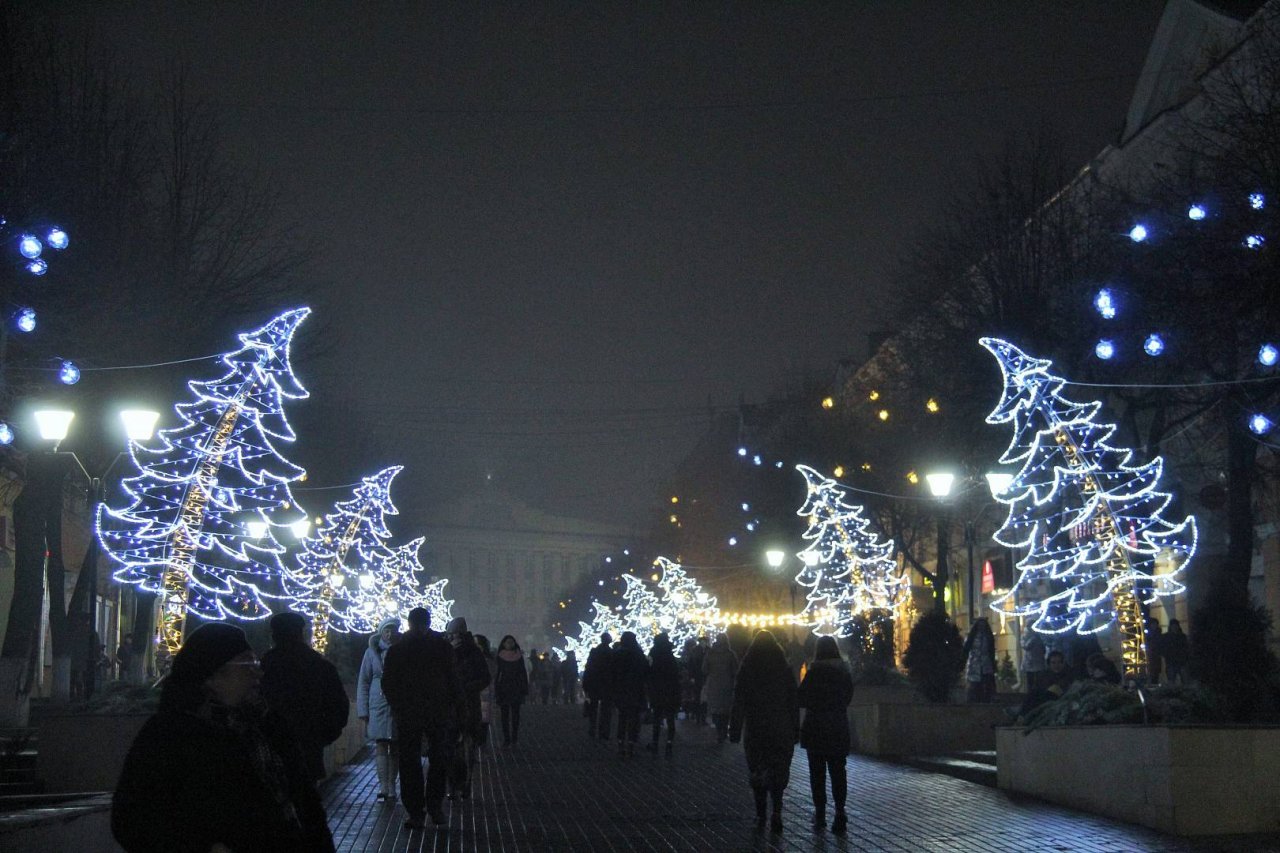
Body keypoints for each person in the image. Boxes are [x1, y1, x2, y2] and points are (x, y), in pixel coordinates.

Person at [112, 623, 334, 852]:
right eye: (247, 664)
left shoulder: (268, 725)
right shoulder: (170, 734)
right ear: (210, 676)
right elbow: (131, 819)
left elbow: (306, 804)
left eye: (256, 662)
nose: (258, 672)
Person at [381, 607, 463, 829]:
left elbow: (388, 682)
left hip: (411, 711)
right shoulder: (442, 647)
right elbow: (453, 680)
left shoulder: (398, 649)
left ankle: (417, 810)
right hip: (436, 710)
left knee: (411, 762)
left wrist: (398, 705)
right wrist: (452, 705)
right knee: (437, 760)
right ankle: (433, 806)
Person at [260, 612, 351, 781]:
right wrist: (322, 736)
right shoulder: (319, 666)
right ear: (302, 633)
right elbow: (339, 706)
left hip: (270, 750)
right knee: (308, 798)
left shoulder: (263, 668)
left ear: (274, 635)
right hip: (309, 747)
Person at [730, 630, 799, 833]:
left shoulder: (747, 669)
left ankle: (761, 814)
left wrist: (734, 728)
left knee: (757, 770)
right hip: (780, 726)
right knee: (778, 770)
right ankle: (776, 811)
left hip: (755, 728)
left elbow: (739, 701)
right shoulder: (784, 669)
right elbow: (793, 701)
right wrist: (795, 728)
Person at [797, 636, 854, 835]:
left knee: (817, 773)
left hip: (816, 728)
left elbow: (801, 698)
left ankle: (820, 812)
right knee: (838, 771)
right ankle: (840, 812)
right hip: (837, 727)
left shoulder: (814, 674)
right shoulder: (843, 673)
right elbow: (848, 697)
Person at [445, 617, 491, 801]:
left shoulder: (474, 652)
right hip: (449, 705)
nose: (454, 636)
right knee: (450, 747)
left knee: (467, 746)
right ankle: (453, 785)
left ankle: (465, 784)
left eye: (456, 633)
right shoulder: (444, 650)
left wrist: (469, 687)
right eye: (451, 633)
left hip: (469, 704)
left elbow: (485, 677)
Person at [357, 617, 400, 803]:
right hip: (378, 703)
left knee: (396, 745)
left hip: (397, 703)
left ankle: (392, 785)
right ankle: (383, 784)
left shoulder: (401, 651)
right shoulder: (371, 652)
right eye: (387, 631)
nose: (390, 634)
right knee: (381, 744)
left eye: (393, 631)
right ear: (381, 632)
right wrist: (363, 710)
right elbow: (363, 682)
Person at [611, 631, 650, 757]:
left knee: (622, 718)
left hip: (621, 690)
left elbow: (612, 673)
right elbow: (646, 672)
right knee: (634, 719)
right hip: (636, 690)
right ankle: (632, 744)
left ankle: (621, 744)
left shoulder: (618, 655)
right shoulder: (639, 655)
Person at [645, 632, 681, 756]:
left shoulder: (653, 654)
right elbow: (676, 674)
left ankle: (655, 743)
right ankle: (669, 743)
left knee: (657, 717)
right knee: (670, 718)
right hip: (670, 691)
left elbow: (648, 671)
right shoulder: (670, 656)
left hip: (657, 690)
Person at [1015, 650, 1075, 720]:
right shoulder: (1044, 675)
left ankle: (1020, 713)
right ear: (1049, 664)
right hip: (1043, 699)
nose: (1056, 665)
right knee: (1033, 694)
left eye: (1059, 662)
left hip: (1059, 700)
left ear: (1063, 663)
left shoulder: (1068, 675)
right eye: (1053, 663)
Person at [493, 635, 529, 746]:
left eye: (511, 642)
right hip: (503, 687)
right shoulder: (500, 656)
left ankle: (514, 737)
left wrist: (524, 688)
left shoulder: (519, 656)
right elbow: (497, 673)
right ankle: (506, 738)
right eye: (507, 642)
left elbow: (523, 672)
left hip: (516, 687)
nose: (510, 644)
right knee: (504, 715)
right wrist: (496, 687)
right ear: (503, 644)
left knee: (515, 715)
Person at [702, 633, 738, 743]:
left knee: (715, 709)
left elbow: (704, 669)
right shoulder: (730, 654)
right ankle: (724, 729)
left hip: (713, 684)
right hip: (727, 684)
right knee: (725, 709)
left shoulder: (710, 653)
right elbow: (735, 670)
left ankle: (719, 730)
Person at [583, 632, 613, 739]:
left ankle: (592, 728)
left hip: (594, 683)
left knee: (593, 707)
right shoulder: (611, 653)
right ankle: (603, 731)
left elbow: (588, 668)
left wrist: (585, 683)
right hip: (606, 684)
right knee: (606, 709)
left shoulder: (594, 652)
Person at [962, 617, 997, 703]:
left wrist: (992, 664)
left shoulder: (988, 637)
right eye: (980, 625)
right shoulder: (972, 637)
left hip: (985, 664)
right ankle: (973, 700)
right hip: (974, 664)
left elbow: (991, 651)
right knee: (974, 684)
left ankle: (986, 699)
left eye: (983, 625)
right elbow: (966, 649)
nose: (982, 627)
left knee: (986, 683)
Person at [1163, 619, 1190, 685]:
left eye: (1176, 626)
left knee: (1184, 680)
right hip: (1171, 661)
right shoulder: (1167, 637)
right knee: (1172, 680)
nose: (1175, 627)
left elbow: (1186, 648)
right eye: (1173, 626)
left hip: (1181, 661)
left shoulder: (1182, 636)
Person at [1144, 616, 1165, 685]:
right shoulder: (1148, 634)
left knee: (1156, 673)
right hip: (1150, 656)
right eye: (1153, 624)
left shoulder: (1158, 634)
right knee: (1151, 672)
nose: (1154, 626)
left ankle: (1155, 684)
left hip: (1156, 656)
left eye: (1155, 624)